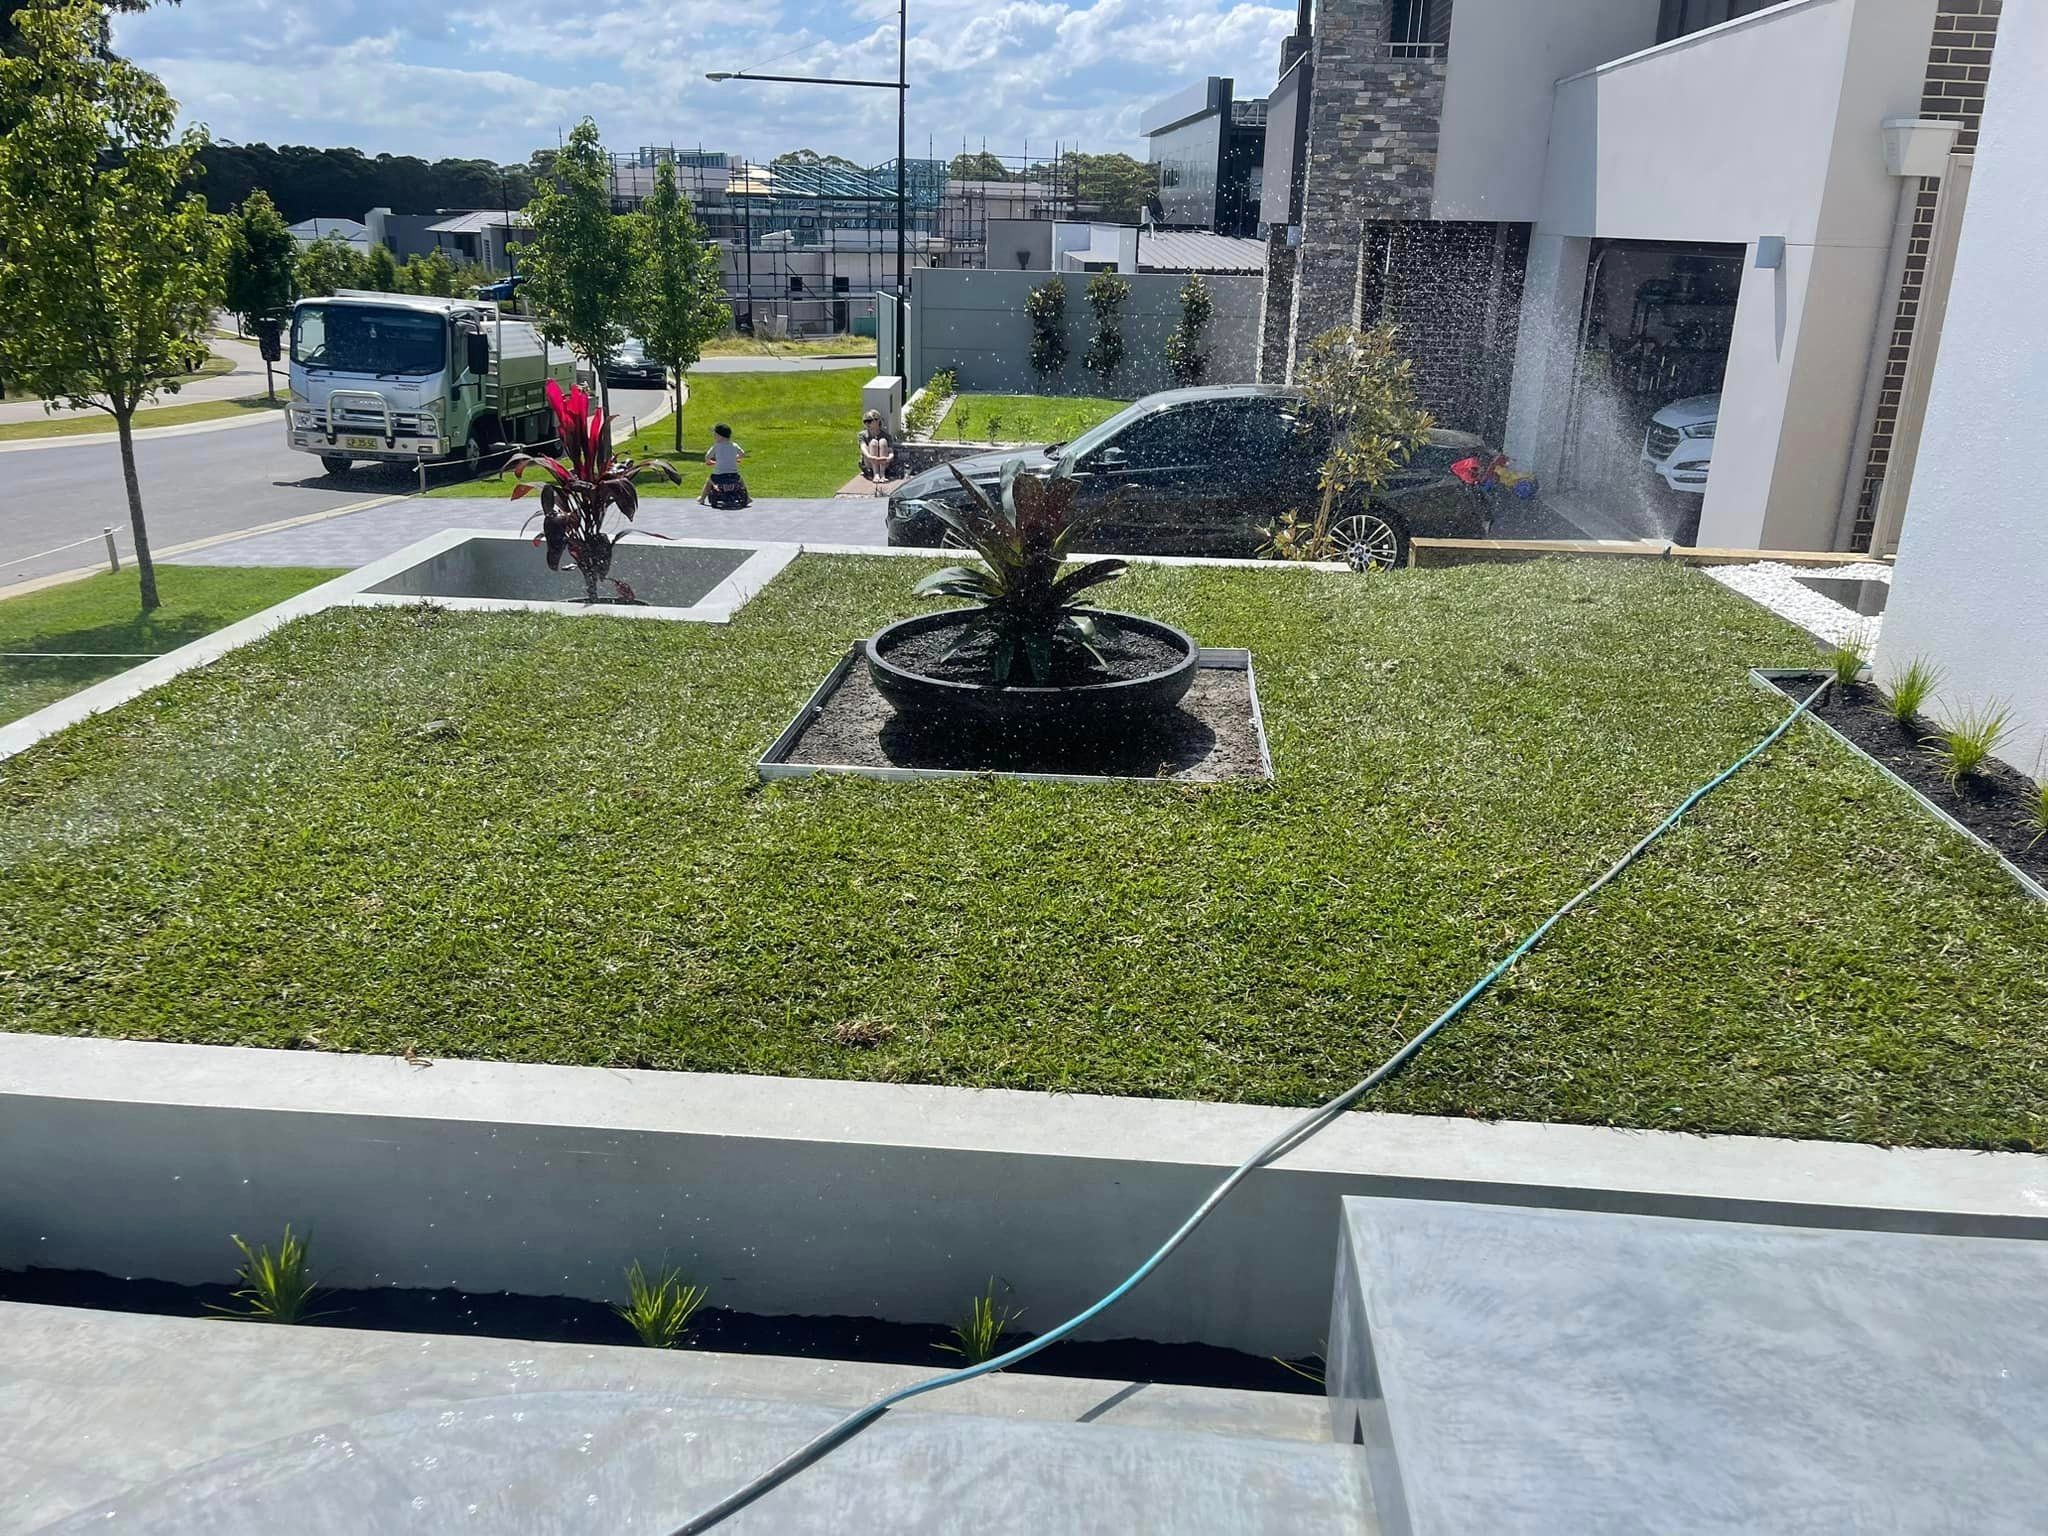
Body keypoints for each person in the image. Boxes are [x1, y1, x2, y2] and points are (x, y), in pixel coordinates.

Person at [700, 422, 750, 509]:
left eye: (715, 435)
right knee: (741, 480)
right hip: (733, 475)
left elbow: (707, 456)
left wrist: (709, 461)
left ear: (720, 436)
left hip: (719, 476)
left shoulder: (716, 446)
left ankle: (702, 498)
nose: (714, 437)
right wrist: (735, 458)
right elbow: (742, 454)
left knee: (709, 481)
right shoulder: (734, 445)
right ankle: (748, 498)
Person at [857, 410, 897, 492]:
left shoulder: (886, 436)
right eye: (865, 421)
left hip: (883, 462)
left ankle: (882, 474)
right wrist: (870, 457)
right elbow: (863, 447)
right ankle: (876, 474)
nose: (867, 424)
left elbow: (890, 451)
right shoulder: (863, 435)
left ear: (877, 421)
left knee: (882, 441)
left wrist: (889, 457)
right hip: (869, 462)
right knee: (873, 442)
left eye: (869, 421)